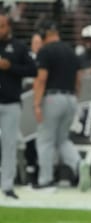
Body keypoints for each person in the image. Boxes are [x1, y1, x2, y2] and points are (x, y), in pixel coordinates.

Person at [32, 20, 91, 192]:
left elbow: (41, 78)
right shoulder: (71, 51)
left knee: (45, 140)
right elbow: (78, 79)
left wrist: (36, 104)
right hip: (71, 98)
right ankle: (79, 164)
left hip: (52, 98)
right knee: (62, 140)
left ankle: (46, 181)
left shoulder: (45, 51)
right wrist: (75, 98)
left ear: (45, 34)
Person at [0, 12, 37, 199]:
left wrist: (11, 67)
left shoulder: (19, 47)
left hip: (11, 103)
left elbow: (33, 70)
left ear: (8, 27)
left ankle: (7, 185)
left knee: (9, 145)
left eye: (1, 26)